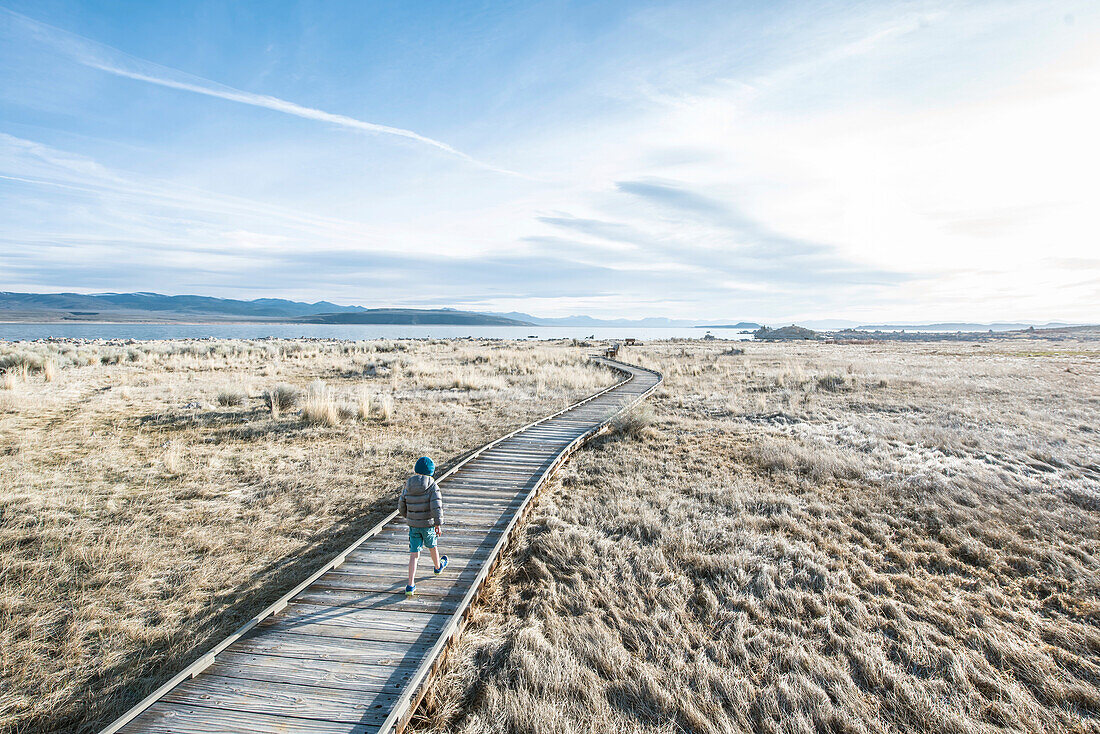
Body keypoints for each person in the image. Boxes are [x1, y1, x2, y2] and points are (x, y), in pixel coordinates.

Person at [398, 456, 447, 597]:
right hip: (428, 525)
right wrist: (437, 524)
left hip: (413, 525)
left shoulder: (408, 485)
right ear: (431, 472)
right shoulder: (432, 486)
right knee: (432, 546)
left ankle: (410, 585)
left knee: (414, 554)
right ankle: (438, 567)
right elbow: (436, 507)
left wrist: (408, 516)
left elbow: (401, 505)